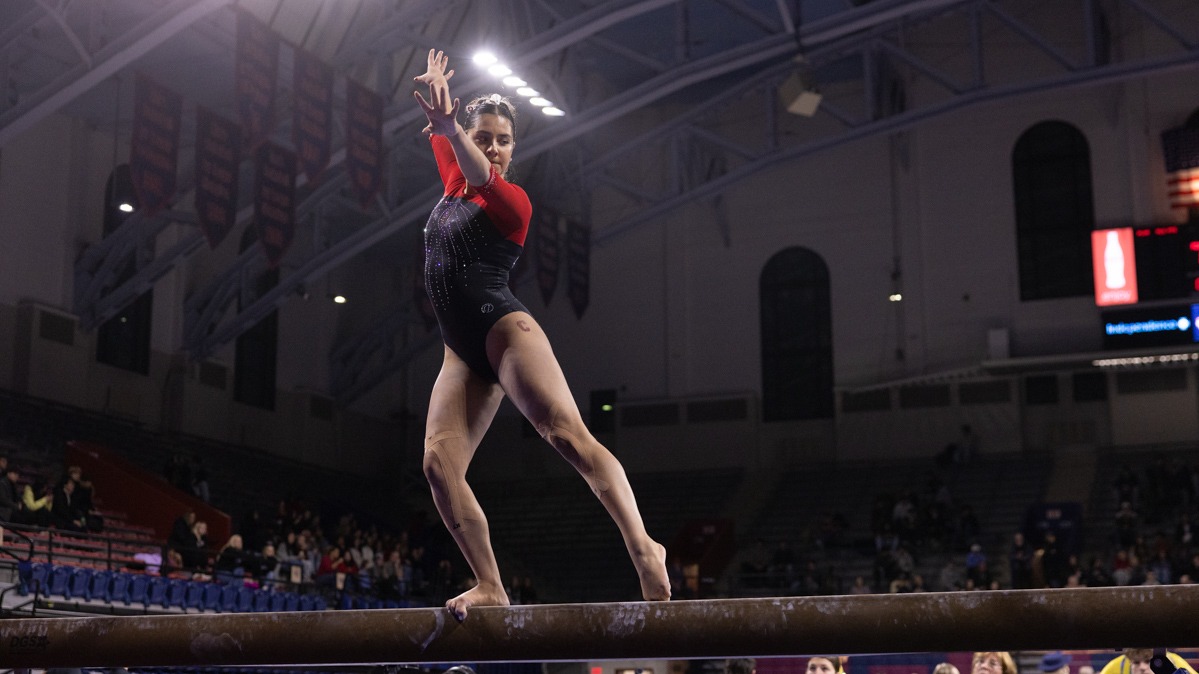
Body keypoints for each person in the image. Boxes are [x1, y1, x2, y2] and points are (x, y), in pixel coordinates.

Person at [411, 48, 669, 620]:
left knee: (566, 436)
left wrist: (455, 129)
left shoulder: (512, 202)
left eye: (504, 139)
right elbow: (447, 146)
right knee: (436, 465)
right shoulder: (455, 179)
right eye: (485, 137)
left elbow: (472, 167)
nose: (494, 148)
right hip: (459, 353)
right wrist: (444, 120)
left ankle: (644, 547)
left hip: (505, 331)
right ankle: (490, 584)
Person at [1100, 649, 1198, 674]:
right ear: (1130, 661)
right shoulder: (1115, 667)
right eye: (1136, 662)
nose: (1142, 667)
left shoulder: (1173, 662)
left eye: (1148, 661)